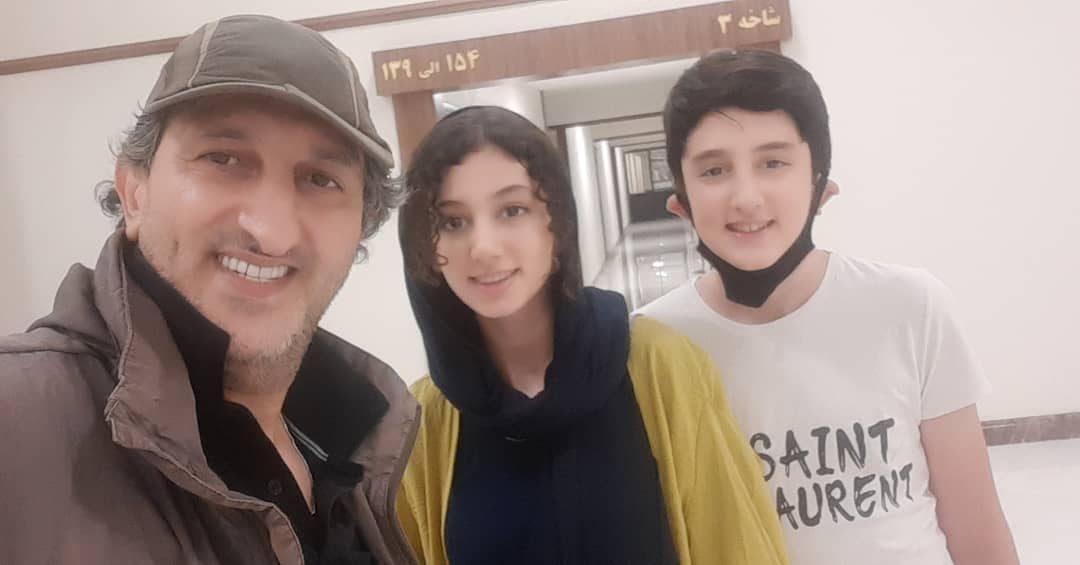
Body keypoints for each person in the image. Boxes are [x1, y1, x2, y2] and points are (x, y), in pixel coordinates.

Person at [0, 15, 419, 565]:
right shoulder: (16, 426)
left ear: (360, 226)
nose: (271, 232)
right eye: (222, 158)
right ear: (134, 193)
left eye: (320, 179)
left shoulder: (367, 434)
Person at [637, 49, 1019, 565]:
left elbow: (977, 528)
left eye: (773, 162)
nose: (746, 197)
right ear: (680, 200)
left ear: (820, 185)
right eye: (714, 170)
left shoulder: (908, 305)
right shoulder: (655, 342)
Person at [393, 105, 788, 565]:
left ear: (557, 224)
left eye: (512, 210)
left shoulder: (658, 365)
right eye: (452, 222)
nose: (483, 247)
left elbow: (735, 544)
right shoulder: (424, 418)